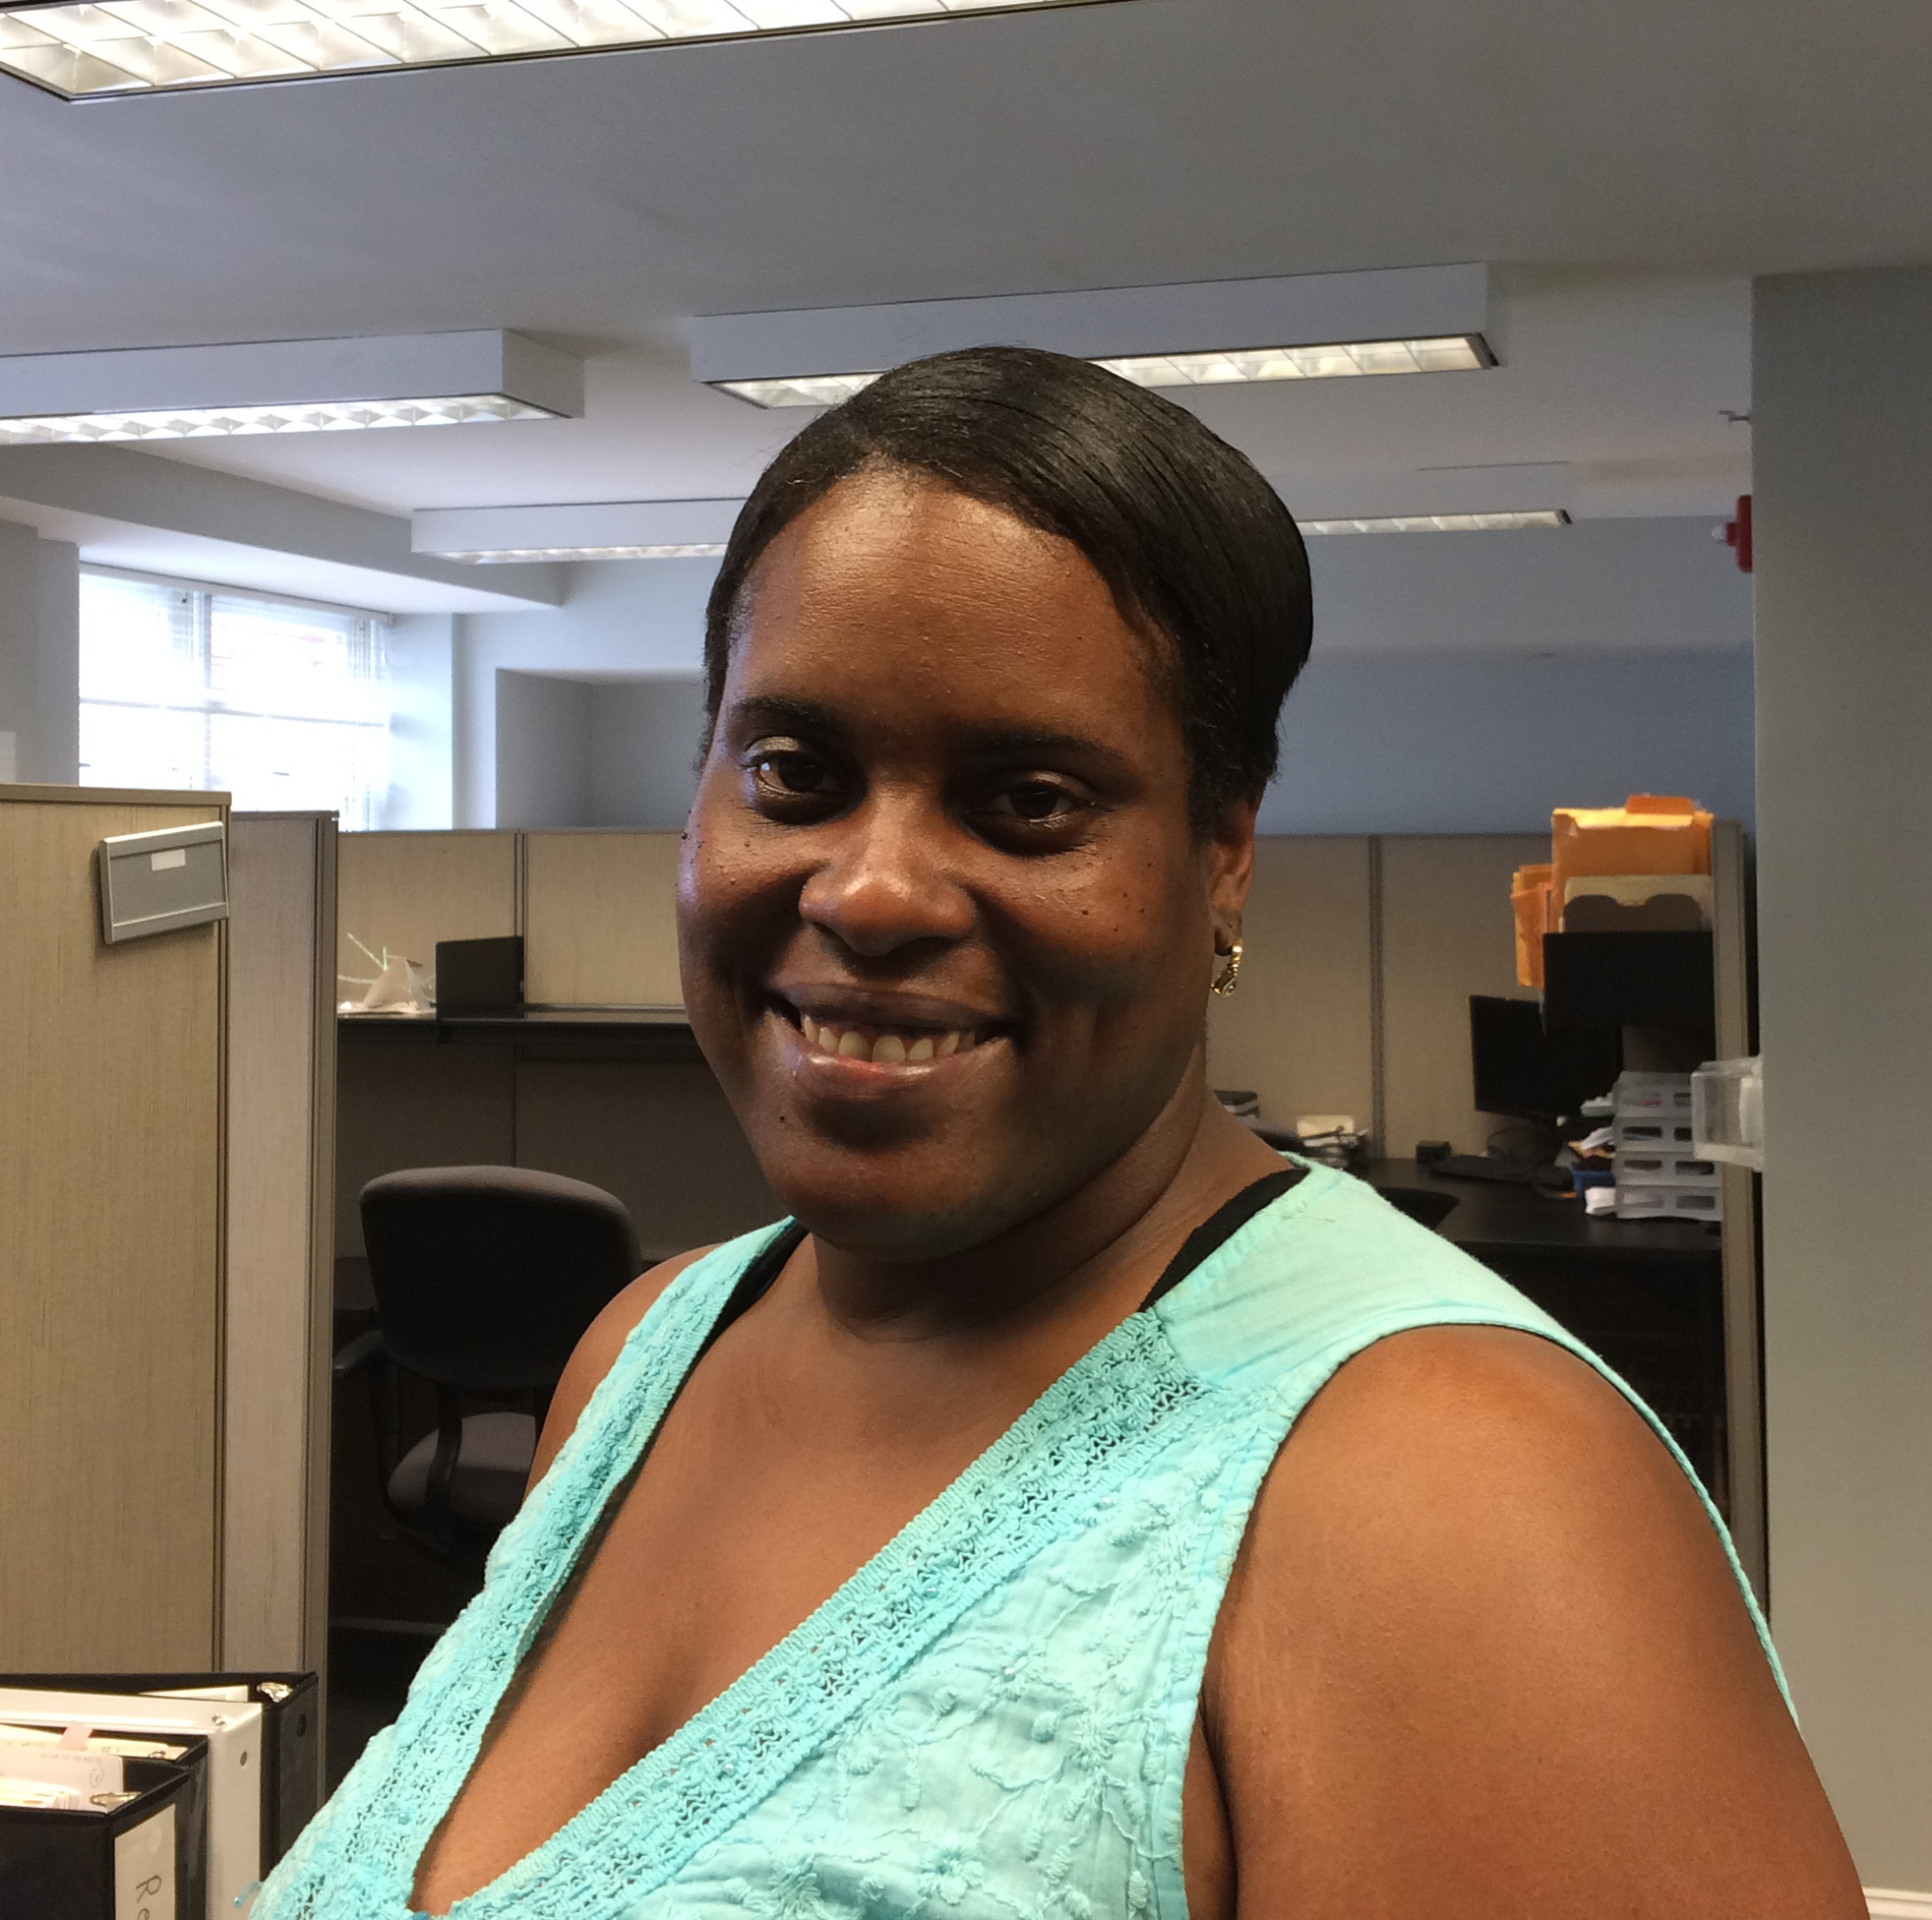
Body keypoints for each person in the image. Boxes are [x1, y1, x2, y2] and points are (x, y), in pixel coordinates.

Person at [260, 347, 1863, 1919]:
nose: (870, 891)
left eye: (1026, 799)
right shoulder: (644, 1354)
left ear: (1222, 858)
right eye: (795, 772)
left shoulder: (1453, 1493)